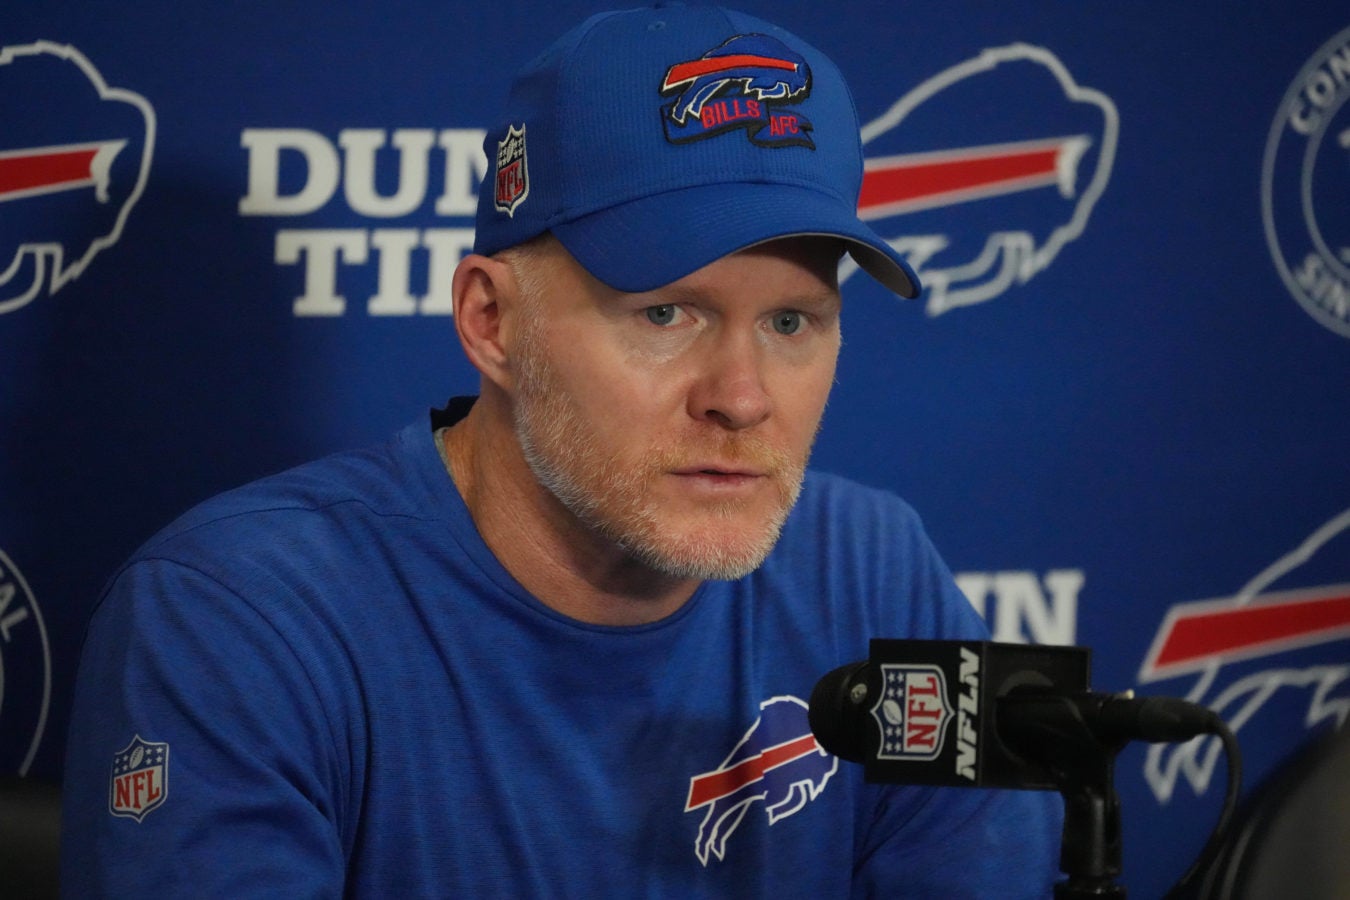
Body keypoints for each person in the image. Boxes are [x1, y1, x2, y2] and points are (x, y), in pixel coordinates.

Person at [61, 4, 1062, 896]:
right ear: (492, 320)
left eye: (793, 323)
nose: (742, 398)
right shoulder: (239, 617)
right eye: (667, 313)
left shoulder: (877, 574)